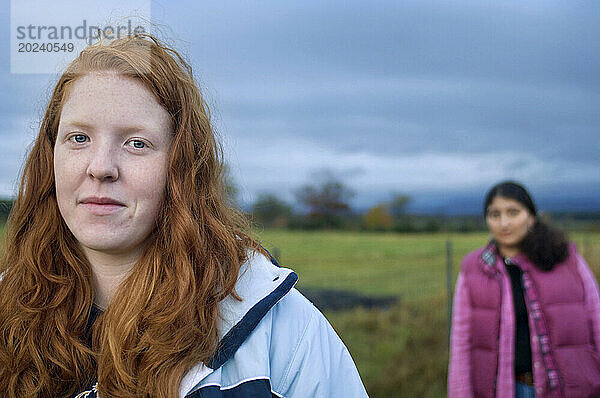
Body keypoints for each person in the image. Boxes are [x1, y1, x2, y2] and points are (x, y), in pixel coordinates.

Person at [0, 34, 368, 398]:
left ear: (181, 167)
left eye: (136, 143)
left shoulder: (282, 333)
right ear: (49, 157)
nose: (101, 167)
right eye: (79, 138)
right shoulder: (6, 310)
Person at [448, 181, 600, 398]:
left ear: (531, 216)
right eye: (494, 215)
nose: (504, 223)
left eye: (513, 212)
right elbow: (461, 344)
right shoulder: (474, 269)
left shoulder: (567, 260)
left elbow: (597, 321)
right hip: (507, 389)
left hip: (568, 389)